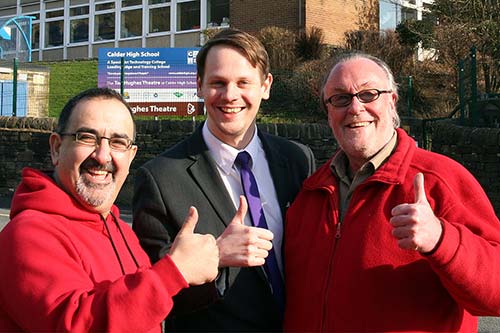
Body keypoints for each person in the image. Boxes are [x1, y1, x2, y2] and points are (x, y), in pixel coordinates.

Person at [283, 53, 500, 332]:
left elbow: (494, 294)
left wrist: (442, 239)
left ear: (392, 101)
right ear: (328, 111)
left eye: (368, 94)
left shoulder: (440, 179)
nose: (355, 108)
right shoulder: (309, 193)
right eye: (340, 98)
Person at [132, 28, 315, 331]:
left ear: (265, 86)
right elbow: (155, 298)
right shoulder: (160, 178)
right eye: (218, 83)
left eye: (244, 82)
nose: (230, 95)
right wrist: (216, 256)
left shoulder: (297, 160)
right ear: (199, 86)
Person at [0, 88, 220, 332]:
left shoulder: (119, 229)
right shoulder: (28, 234)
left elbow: (142, 307)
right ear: (56, 148)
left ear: (131, 155)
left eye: (118, 142)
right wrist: (174, 272)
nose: (102, 155)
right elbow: (78, 326)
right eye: (86, 137)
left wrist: (212, 260)